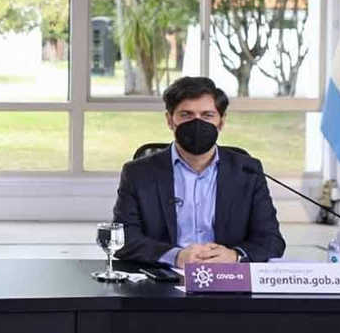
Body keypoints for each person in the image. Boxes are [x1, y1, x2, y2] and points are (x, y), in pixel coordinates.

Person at [113, 75, 284, 267]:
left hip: (228, 280)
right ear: (170, 120)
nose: (197, 123)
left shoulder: (247, 171)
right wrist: (175, 256)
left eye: (207, 115)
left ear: (221, 121)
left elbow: (271, 240)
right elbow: (123, 239)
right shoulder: (138, 173)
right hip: (163, 280)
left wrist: (234, 256)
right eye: (186, 115)